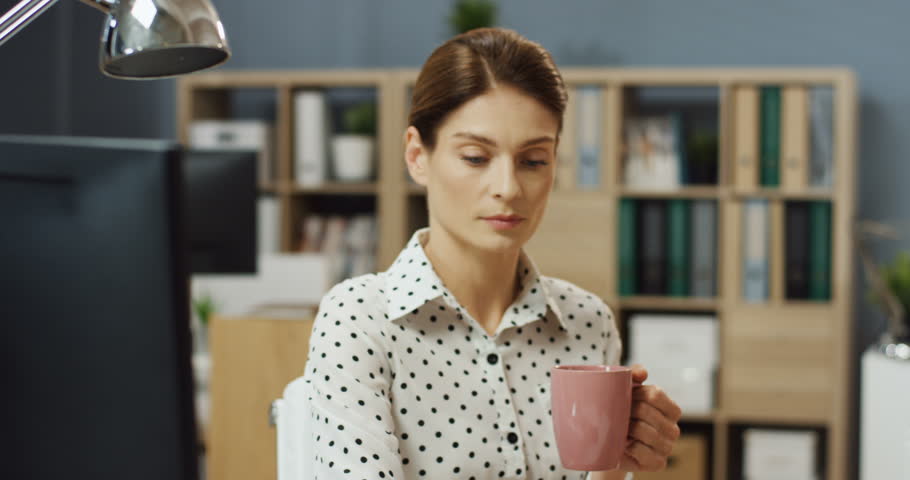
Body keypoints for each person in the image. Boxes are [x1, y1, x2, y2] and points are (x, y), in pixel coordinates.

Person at [301, 27, 682, 480]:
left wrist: (619, 466)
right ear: (417, 155)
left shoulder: (588, 322)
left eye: (533, 160)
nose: (508, 188)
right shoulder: (359, 318)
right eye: (476, 158)